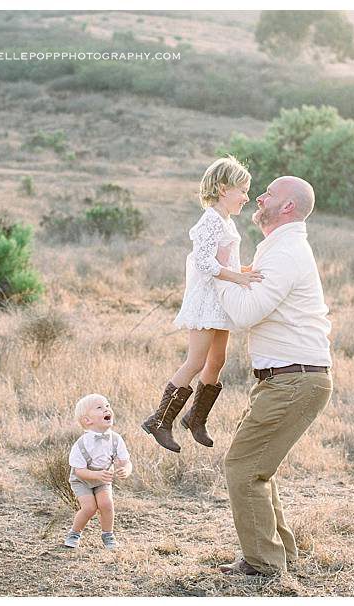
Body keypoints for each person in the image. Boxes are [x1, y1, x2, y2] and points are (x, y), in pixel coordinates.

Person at [212, 176, 333, 577]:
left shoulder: (287, 252)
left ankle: (263, 564)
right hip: (287, 377)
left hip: (294, 379)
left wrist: (220, 274)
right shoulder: (279, 247)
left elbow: (246, 313)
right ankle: (280, 554)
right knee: (257, 467)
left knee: (243, 467)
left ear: (287, 208)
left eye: (269, 193)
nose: (258, 197)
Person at [142, 156, 262, 452]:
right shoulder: (209, 220)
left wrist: (245, 271)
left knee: (217, 361)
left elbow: (225, 261)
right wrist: (237, 277)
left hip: (221, 302)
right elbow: (204, 261)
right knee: (196, 361)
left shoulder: (226, 221)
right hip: (207, 301)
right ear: (223, 189)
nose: (247, 197)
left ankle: (195, 418)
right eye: (243, 190)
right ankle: (159, 421)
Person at [63, 394, 132, 550]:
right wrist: (96, 475)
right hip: (82, 479)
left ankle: (108, 535)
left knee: (106, 504)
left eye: (107, 406)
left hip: (102, 478)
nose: (106, 409)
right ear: (87, 420)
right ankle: (74, 533)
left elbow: (125, 462)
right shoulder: (81, 444)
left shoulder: (116, 439)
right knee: (89, 508)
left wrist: (126, 470)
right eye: (100, 407)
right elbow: (79, 471)